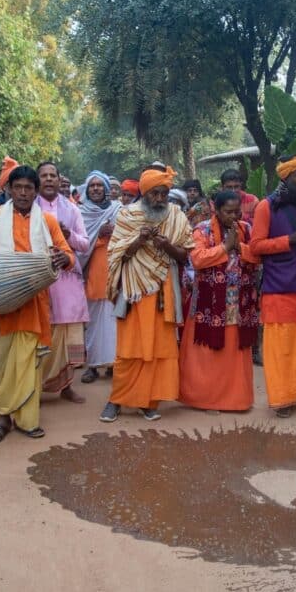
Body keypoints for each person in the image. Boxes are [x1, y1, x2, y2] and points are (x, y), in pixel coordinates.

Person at [0, 165, 73, 443]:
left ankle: (27, 420)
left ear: (35, 192)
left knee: (30, 362)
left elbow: (67, 253)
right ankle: (3, 418)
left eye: (28, 188)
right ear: (9, 189)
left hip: (34, 303)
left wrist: (63, 259)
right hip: (1, 304)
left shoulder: (48, 221)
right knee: (2, 361)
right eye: (17, 187)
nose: (22, 192)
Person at [99, 166, 193, 423]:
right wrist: (137, 241)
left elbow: (185, 256)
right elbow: (117, 255)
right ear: (144, 192)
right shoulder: (128, 216)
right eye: (155, 194)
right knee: (129, 349)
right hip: (135, 293)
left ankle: (149, 401)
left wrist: (166, 245)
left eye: (164, 194)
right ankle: (116, 400)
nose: (160, 199)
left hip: (163, 294)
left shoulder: (176, 216)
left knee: (160, 350)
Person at [250, 155, 296, 417]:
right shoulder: (265, 207)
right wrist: (288, 240)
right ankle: (282, 398)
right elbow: (256, 246)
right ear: (285, 178)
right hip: (277, 286)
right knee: (280, 346)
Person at [178, 191, 259, 411]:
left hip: (238, 302)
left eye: (237, 211)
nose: (233, 216)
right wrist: (224, 248)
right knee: (207, 352)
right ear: (216, 209)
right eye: (228, 212)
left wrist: (238, 247)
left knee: (234, 351)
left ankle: (236, 399)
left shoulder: (246, 229)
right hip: (209, 301)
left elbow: (258, 255)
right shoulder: (202, 229)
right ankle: (202, 398)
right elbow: (196, 259)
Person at [35, 162, 90, 403]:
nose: (48, 180)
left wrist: (69, 236)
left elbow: (85, 244)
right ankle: (34, 387)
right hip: (39, 280)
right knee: (43, 334)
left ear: (59, 180)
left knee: (68, 335)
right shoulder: (28, 208)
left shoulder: (72, 209)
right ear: (38, 181)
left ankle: (66, 386)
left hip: (67, 279)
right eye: (44, 176)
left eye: (52, 176)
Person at [78, 171, 121, 384]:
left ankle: (114, 364)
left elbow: (127, 235)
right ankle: (93, 366)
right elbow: (78, 242)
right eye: (92, 186)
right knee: (94, 321)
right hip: (92, 269)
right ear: (87, 190)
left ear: (106, 189)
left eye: (99, 185)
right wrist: (100, 234)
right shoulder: (81, 212)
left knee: (114, 321)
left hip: (115, 268)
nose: (95, 188)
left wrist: (114, 232)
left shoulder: (118, 209)